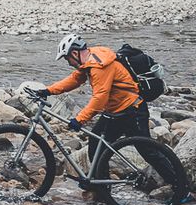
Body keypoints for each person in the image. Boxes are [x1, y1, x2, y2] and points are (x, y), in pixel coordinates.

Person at [34, 34, 178, 186]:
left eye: (67, 58)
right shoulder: (91, 59)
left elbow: (100, 98)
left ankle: (180, 187)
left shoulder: (99, 66)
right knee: (96, 142)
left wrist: (80, 119)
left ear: (75, 53)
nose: (68, 63)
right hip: (115, 111)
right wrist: (48, 91)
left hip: (132, 110)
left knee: (148, 151)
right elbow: (75, 79)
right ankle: (101, 187)